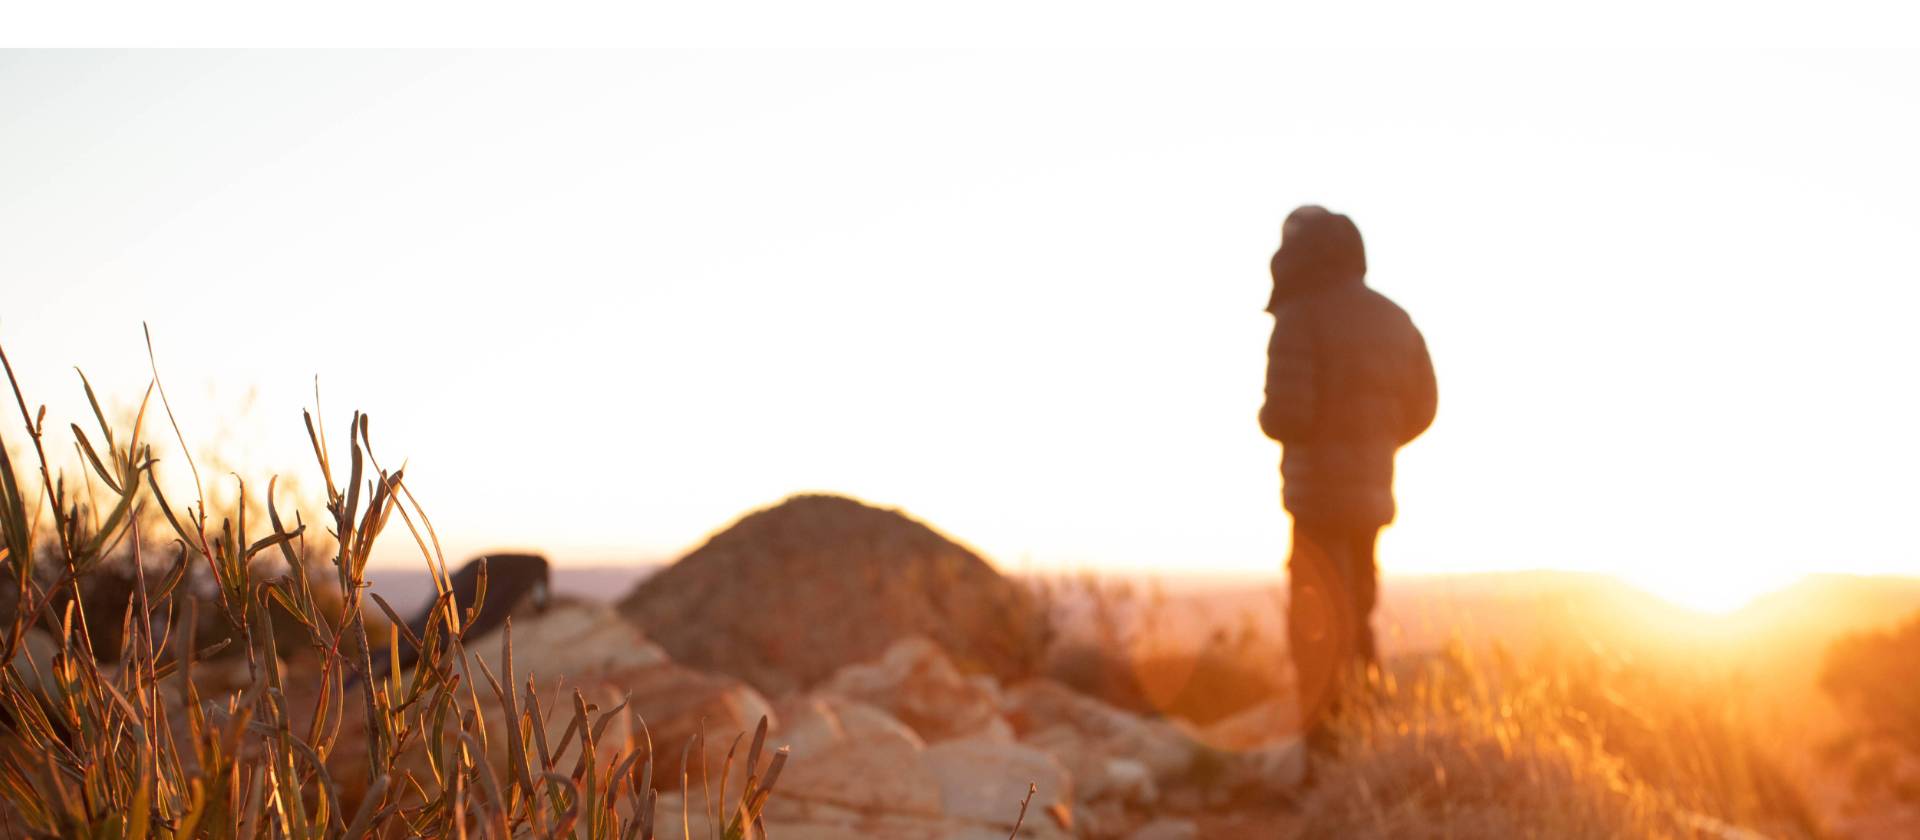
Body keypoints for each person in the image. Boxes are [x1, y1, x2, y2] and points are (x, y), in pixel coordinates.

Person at [1259, 206, 1436, 754]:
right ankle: (1364, 744)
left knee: (1316, 628)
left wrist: (1272, 420)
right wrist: (1376, 443)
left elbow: (1286, 415)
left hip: (1317, 500)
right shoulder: (1395, 319)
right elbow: (1425, 407)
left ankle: (1325, 755)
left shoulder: (1300, 317)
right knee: (1358, 615)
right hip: (1371, 498)